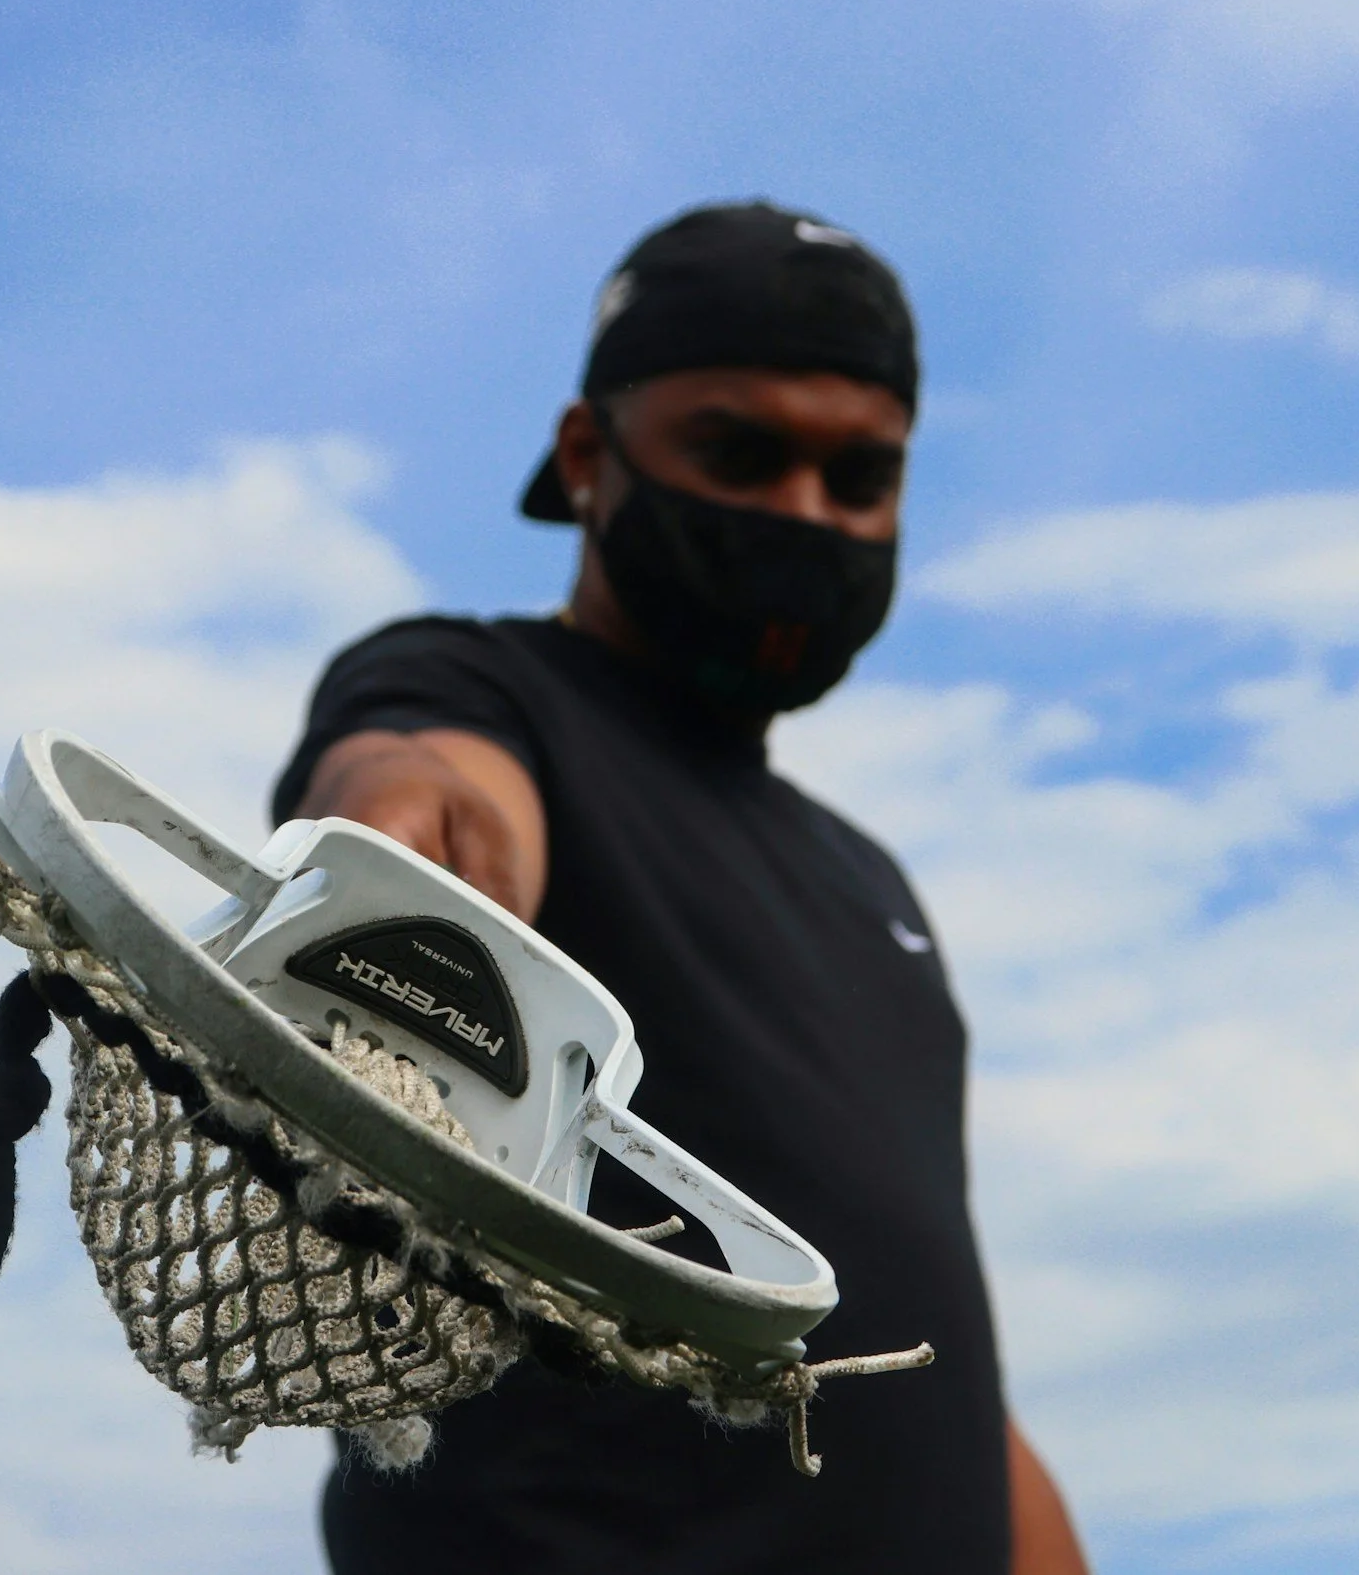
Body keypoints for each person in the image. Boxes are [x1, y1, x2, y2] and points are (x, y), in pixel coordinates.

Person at [270, 202, 1090, 1575]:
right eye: (740, 451)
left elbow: (923, 1364)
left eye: (859, 476)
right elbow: (422, 777)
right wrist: (413, 854)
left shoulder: (869, 883)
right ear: (589, 455)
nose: (804, 513)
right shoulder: (487, 689)